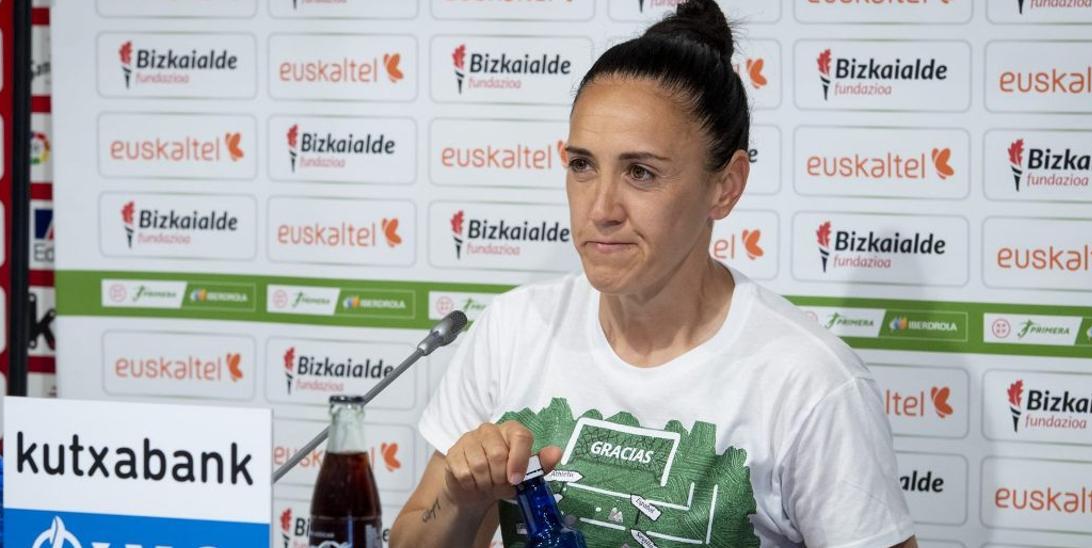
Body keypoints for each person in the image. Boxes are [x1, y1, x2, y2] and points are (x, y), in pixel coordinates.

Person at [391, 1, 917, 546]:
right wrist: (459, 499)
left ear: (726, 185)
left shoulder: (809, 382)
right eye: (582, 165)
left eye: (640, 172)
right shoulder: (512, 329)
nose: (601, 208)